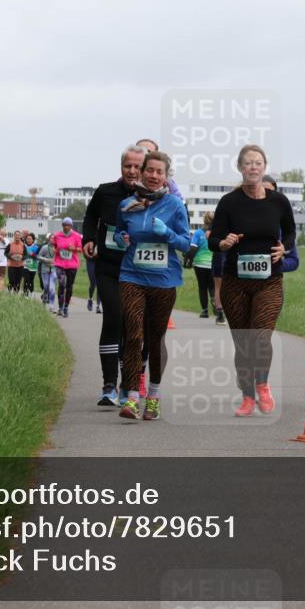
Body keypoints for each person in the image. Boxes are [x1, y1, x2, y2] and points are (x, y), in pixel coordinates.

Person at [210, 145, 296, 417]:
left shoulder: (278, 201)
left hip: (269, 280)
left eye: (258, 163)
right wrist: (224, 243)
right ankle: (247, 396)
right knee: (243, 342)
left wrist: (285, 248)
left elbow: (291, 232)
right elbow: (213, 240)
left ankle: (263, 385)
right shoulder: (229, 202)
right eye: (248, 163)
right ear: (240, 167)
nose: (254, 167)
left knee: (261, 336)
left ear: (264, 166)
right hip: (236, 281)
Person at [114, 150, 191, 420]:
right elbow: (118, 232)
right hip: (132, 275)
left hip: (164, 279)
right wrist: (121, 236)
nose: (154, 176)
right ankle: (133, 397)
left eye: (160, 172)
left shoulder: (175, 206)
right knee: (134, 334)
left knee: (155, 339)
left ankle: (155, 395)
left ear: (166, 176)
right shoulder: (126, 204)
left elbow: (186, 243)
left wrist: (167, 233)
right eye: (150, 170)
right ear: (142, 171)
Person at [83, 144, 147, 406]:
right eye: (127, 166)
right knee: (113, 318)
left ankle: (127, 384)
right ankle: (109, 384)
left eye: (137, 167)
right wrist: (88, 238)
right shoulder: (106, 191)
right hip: (108, 267)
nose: (132, 171)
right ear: (121, 167)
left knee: (131, 327)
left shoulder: (151, 197)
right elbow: (90, 217)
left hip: (136, 270)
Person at [261, 174, 300, 273]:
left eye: (271, 192)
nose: (266, 196)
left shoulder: (281, 229)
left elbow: (294, 261)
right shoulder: (240, 219)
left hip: (271, 283)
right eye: (263, 191)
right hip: (241, 283)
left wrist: (275, 266)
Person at [187, 212, 216, 317]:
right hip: (213, 263)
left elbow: (193, 248)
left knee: (202, 287)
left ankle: (204, 311)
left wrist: (190, 261)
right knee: (213, 287)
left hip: (200, 264)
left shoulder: (198, 233)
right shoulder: (217, 233)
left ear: (204, 220)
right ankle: (214, 301)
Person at [53, 218, 83, 317]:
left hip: (72, 264)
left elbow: (81, 249)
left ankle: (66, 307)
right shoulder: (57, 235)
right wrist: (54, 250)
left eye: (68, 225)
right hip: (59, 263)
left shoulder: (77, 236)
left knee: (69, 286)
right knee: (61, 284)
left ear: (71, 226)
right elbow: (53, 246)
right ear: (62, 225)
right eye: (64, 225)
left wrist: (74, 249)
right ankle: (60, 308)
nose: (66, 227)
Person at [38, 237, 57, 312]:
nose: (53, 240)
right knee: (46, 287)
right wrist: (46, 260)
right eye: (52, 238)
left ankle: (52, 306)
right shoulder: (44, 247)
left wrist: (55, 260)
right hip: (45, 270)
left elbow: (61, 257)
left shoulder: (58, 248)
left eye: (54, 239)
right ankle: (44, 300)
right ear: (49, 239)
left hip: (54, 270)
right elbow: (38, 256)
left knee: (52, 289)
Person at [23, 233, 40, 297]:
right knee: (26, 279)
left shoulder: (36, 247)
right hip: (25, 265)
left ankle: (31, 291)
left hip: (33, 266)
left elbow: (38, 256)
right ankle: (25, 294)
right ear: (26, 239)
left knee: (31, 280)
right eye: (27, 239)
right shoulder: (24, 246)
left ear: (33, 240)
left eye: (30, 239)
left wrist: (33, 255)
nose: (29, 240)